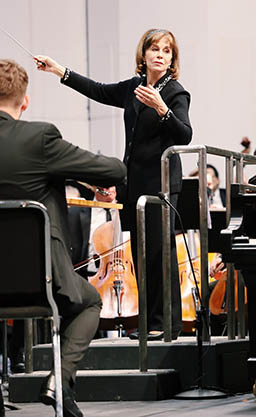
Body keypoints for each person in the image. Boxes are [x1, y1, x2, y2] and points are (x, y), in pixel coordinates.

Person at [36, 28, 193, 340]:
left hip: (161, 185)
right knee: (140, 255)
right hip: (134, 184)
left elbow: (185, 135)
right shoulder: (134, 87)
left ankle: (167, 323)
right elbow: (98, 90)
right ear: (144, 54)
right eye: (154, 49)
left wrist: (162, 109)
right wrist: (59, 70)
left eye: (166, 51)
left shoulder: (175, 92)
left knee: (159, 255)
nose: (160, 55)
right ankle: (150, 321)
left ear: (172, 59)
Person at [0, 59, 126, 417]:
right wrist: (71, 174)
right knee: (88, 301)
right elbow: (113, 169)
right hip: (39, 278)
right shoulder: (38, 139)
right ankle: (60, 379)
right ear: (25, 101)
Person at [68, 186, 118, 278]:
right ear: (94, 188)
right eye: (105, 186)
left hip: (120, 274)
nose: (109, 190)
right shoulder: (74, 212)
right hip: (86, 276)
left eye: (112, 185)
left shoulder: (125, 211)